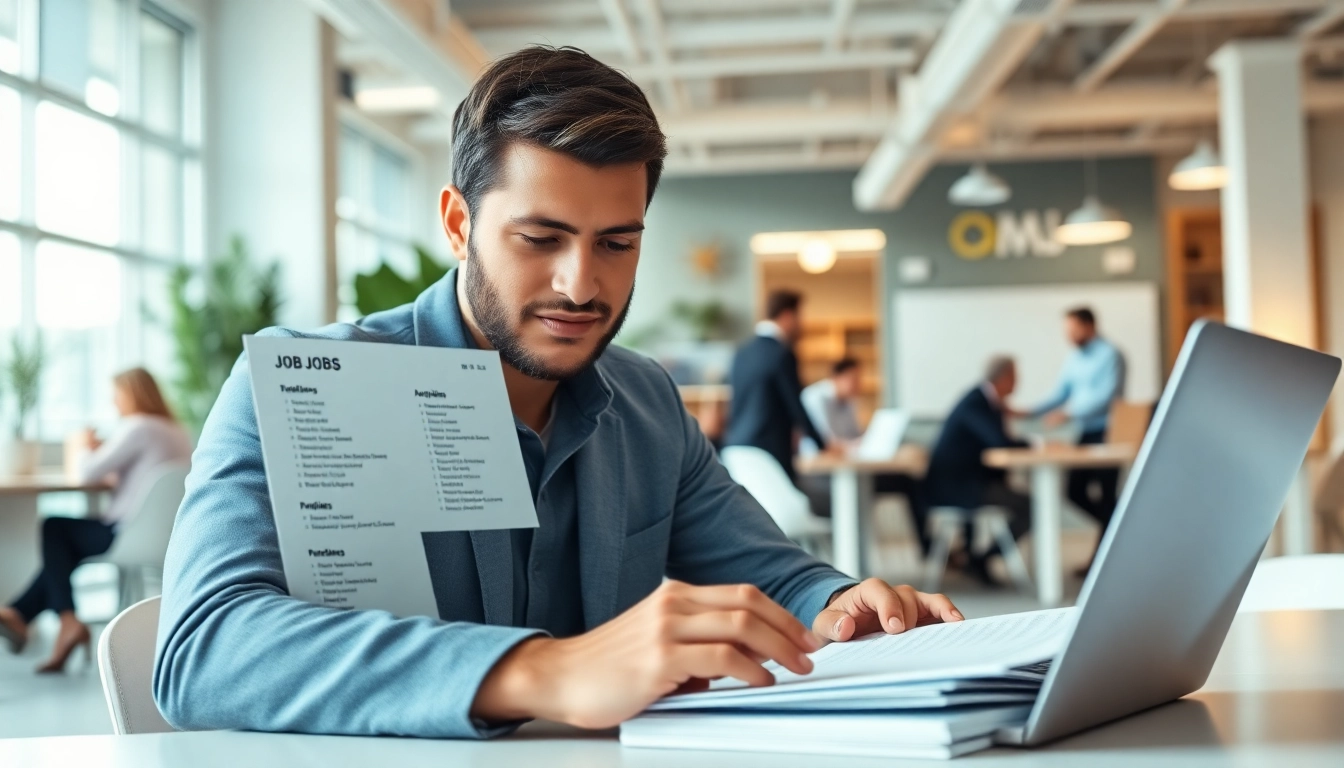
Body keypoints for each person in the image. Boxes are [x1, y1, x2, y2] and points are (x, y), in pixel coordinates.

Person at [152, 46, 962, 739]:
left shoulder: (645, 402)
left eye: (616, 243)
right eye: (540, 239)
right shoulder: (298, 382)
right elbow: (203, 648)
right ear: (459, 223)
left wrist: (846, 606)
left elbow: (777, 579)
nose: (581, 285)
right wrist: (548, 669)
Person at [0, 367, 191, 672]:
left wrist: (85, 447)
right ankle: (21, 614)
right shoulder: (178, 432)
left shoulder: (138, 426)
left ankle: (66, 620)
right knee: (63, 550)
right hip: (168, 536)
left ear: (132, 393)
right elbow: (130, 474)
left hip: (126, 532)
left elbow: (88, 473)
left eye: (117, 395)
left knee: (55, 528)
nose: (114, 403)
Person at [1030, 307, 1126, 573]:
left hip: (1109, 432)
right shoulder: (1074, 358)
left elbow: (1106, 396)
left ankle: (1104, 555)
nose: (1069, 336)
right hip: (1085, 432)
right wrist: (1031, 410)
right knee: (1074, 490)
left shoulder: (1111, 355)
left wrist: (1067, 413)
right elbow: (1061, 393)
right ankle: (1119, 533)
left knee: (1107, 496)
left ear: (1089, 326)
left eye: (1073, 330)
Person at [923, 356, 1032, 586]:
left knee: (1027, 502)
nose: (1018, 381)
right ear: (1004, 378)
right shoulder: (976, 403)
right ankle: (981, 560)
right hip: (955, 488)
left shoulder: (985, 401)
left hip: (966, 482)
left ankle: (977, 559)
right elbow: (999, 441)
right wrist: (1035, 444)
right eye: (1015, 376)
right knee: (1033, 505)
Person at [723, 290, 830, 482]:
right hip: (769, 454)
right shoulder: (781, 353)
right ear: (788, 315)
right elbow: (796, 405)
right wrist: (822, 445)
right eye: (799, 317)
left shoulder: (741, 352)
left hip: (737, 451)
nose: (801, 324)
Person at [800, 358, 922, 524]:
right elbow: (826, 444)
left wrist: (872, 439)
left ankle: (927, 545)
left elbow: (855, 436)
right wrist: (859, 444)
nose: (858, 385)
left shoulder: (850, 402)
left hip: (850, 469)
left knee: (905, 481)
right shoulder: (814, 398)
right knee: (857, 492)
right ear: (836, 377)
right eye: (853, 379)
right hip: (820, 474)